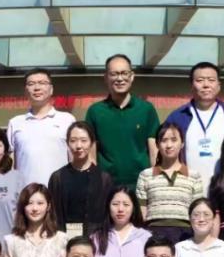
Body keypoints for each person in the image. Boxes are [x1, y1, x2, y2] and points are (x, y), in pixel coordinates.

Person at [162, 61, 224, 181]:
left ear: (219, 86)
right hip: (186, 187)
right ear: (192, 86)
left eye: (211, 80)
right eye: (200, 80)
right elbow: (163, 152)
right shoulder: (177, 118)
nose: (206, 85)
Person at [85, 53, 160, 188]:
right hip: (106, 186)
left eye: (124, 73)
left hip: (141, 185)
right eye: (114, 74)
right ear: (106, 78)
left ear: (132, 76)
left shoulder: (146, 109)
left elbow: (154, 151)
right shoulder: (95, 112)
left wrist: (155, 182)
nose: (119, 78)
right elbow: (91, 154)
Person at [135, 123, 205, 244]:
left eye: (174, 140)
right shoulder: (145, 175)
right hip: (153, 235)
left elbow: (197, 211)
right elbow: (142, 212)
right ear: (157, 144)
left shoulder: (194, 176)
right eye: (164, 140)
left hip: (185, 235)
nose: (169, 145)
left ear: (182, 144)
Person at [7, 68, 76, 188]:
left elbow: (74, 159)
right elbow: (11, 164)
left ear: (51, 89)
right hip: (26, 194)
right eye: (31, 84)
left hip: (59, 192)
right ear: (25, 90)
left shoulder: (67, 120)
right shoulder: (15, 123)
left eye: (42, 83)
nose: (37, 88)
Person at [47, 121, 114, 238]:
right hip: (64, 239)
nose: (78, 146)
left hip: (96, 239)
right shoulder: (57, 177)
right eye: (73, 141)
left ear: (92, 143)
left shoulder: (103, 178)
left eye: (84, 140)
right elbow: (53, 214)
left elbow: (107, 215)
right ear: (67, 143)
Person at [90, 185, 152, 257]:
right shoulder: (96, 238)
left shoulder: (145, 238)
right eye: (115, 204)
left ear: (133, 208)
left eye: (126, 205)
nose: (120, 209)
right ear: (108, 207)